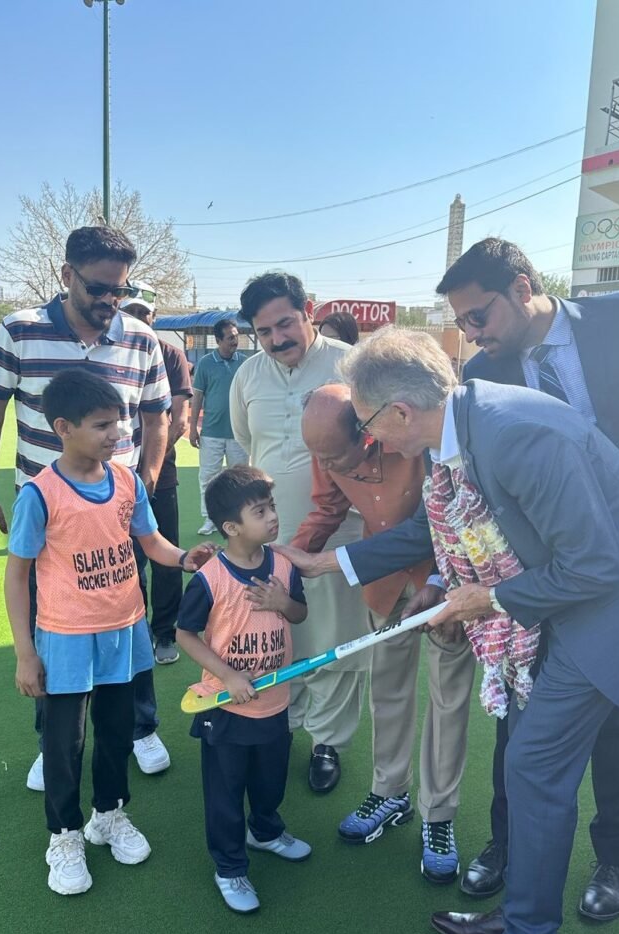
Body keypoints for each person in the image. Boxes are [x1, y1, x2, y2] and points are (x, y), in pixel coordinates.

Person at [336, 327, 619, 934]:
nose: (374, 441)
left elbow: (596, 564)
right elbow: (454, 532)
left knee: (531, 766)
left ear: (400, 412)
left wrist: (487, 597)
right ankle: (523, 919)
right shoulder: (470, 424)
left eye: (370, 423)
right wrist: (340, 563)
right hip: (584, 600)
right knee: (528, 757)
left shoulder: (510, 431)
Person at [443, 237, 619, 919]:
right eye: (461, 323)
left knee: (613, 714)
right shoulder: (488, 374)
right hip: (540, 569)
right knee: (519, 710)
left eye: (478, 316)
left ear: (523, 288)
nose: (473, 335)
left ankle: (614, 858)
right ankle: (508, 841)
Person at [0, 225, 172, 792]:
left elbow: (157, 414)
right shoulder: (20, 330)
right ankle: (53, 738)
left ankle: (141, 727)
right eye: (100, 288)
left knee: (126, 611)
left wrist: (149, 475)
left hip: (116, 507)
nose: (111, 300)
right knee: (53, 624)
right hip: (51, 515)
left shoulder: (140, 338)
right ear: (66, 275)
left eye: (120, 290)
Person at [3, 370, 215, 895]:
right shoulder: (41, 494)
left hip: (124, 631)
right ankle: (65, 833)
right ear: (62, 428)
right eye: (101, 426)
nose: (115, 435)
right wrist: (25, 653)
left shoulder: (124, 480)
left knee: (118, 733)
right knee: (64, 742)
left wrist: (186, 558)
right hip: (65, 637)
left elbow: (152, 542)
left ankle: (108, 814)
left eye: (118, 425)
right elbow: (16, 577)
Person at [289, 384, 477, 881]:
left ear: (368, 436)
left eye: (333, 455)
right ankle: (390, 793)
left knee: (448, 700)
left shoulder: (419, 440)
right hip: (383, 584)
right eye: (318, 455)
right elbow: (327, 510)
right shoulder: (325, 451)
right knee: (387, 692)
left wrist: (442, 581)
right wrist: (287, 561)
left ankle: (439, 815)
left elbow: (450, 521)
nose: (326, 464)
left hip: (447, 583)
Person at [231, 271, 370, 794]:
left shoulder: (352, 366)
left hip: (340, 532)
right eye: (263, 332)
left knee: (333, 638)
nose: (276, 340)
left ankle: (327, 742)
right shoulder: (248, 375)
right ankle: (280, 724)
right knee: (277, 634)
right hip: (268, 537)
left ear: (308, 309)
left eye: (285, 323)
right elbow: (249, 446)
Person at [176, 466, 311, 913]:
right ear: (231, 528)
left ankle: (266, 832)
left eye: (271, 507)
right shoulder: (209, 579)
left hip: (274, 702)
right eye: (260, 511)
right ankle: (230, 867)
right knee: (225, 793)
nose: (272, 517)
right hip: (226, 709)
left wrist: (281, 602)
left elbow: (298, 615)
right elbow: (185, 634)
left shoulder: (285, 566)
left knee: (270, 780)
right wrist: (229, 676)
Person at [120, 296, 193, 669]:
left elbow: (178, 420)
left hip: (158, 477)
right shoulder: (113, 349)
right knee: (128, 559)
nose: (136, 319)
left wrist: (149, 465)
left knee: (166, 556)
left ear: (154, 317)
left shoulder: (170, 354)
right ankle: (137, 629)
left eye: (143, 313)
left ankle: (164, 630)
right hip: (115, 479)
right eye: (129, 312)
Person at [188, 318, 249, 535]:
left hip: (239, 433)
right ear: (218, 340)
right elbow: (197, 398)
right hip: (211, 433)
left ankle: (240, 519)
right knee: (208, 478)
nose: (235, 341)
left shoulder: (245, 363)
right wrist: (193, 427)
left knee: (240, 480)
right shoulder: (205, 363)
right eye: (231, 337)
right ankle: (210, 519)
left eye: (236, 336)